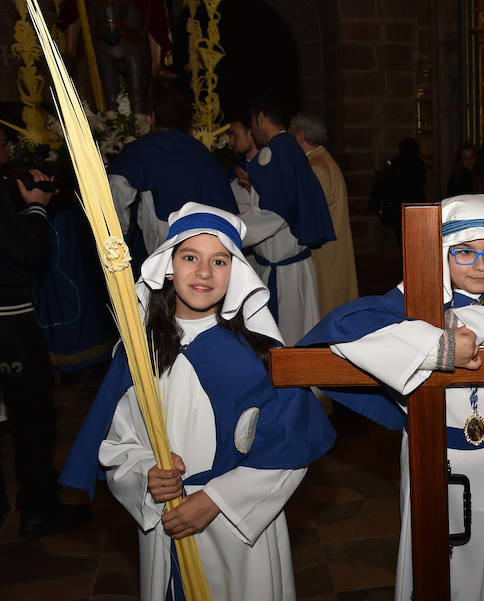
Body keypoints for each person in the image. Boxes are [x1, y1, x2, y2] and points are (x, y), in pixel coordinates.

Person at [299, 194, 484, 601]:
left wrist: (436, 326)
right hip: (439, 459)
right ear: (442, 255)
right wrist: (440, 349)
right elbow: (343, 329)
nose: (480, 265)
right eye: (464, 253)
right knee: (444, 572)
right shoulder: (409, 301)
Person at [59, 203, 336, 600]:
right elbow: (119, 444)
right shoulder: (141, 355)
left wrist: (216, 500)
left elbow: (290, 449)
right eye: (190, 257)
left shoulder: (260, 356)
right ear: (168, 266)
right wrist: (146, 476)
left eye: (219, 261)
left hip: (239, 528)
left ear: (236, 272)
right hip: (165, 519)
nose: (204, 272)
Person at [0, 165, 91, 537]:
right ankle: (38, 511)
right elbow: (25, 250)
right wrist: (38, 206)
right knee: (34, 419)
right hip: (9, 321)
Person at [108, 79, 238, 265]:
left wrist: (116, 242)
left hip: (166, 261)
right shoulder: (204, 154)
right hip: (211, 259)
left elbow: (116, 192)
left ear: (152, 117)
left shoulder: (141, 151)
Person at [244, 95, 336, 343]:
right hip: (292, 267)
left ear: (261, 117)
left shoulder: (276, 152)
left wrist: (232, 228)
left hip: (284, 271)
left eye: (252, 122)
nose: (251, 131)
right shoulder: (290, 149)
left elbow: (274, 214)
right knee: (299, 334)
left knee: (288, 339)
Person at [290, 113, 359, 316]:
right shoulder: (322, 160)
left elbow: (309, 212)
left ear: (301, 136)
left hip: (326, 255)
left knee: (327, 309)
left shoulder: (317, 166)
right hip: (331, 251)